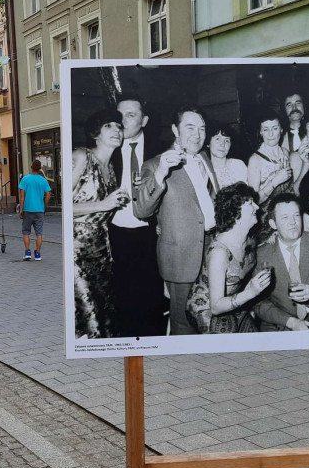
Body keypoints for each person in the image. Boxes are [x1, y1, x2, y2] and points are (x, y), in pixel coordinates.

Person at [135, 108, 219, 335]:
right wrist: (161, 172)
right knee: (184, 324)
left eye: (202, 129)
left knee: (209, 316)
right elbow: (141, 210)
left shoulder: (204, 158)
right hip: (182, 257)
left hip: (212, 250)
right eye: (190, 127)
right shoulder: (155, 165)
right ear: (175, 130)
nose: (197, 135)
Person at [108, 98, 167, 337]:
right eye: (119, 115)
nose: (122, 121)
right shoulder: (108, 149)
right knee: (121, 297)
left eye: (130, 115)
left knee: (152, 296)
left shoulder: (161, 151)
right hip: (115, 232)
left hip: (151, 232)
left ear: (144, 120)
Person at [71, 110, 129, 337]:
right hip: (76, 251)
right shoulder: (81, 157)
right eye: (108, 126)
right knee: (88, 316)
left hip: (102, 252)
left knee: (104, 316)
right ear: (96, 133)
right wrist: (102, 205)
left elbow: (103, 211)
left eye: (119, 126)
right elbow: (60, 208)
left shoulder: (111, 168)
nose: (117, 130)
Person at [185, 182, 271, 334]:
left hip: (234, 300)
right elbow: (216, 307)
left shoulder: (249, 238)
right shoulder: (219, 253)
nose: (257, 207)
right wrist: (250, 293)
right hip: (207, 307)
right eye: (250, 203)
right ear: (236, 215)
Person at [253, 193, 309, 331]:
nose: (293, 222)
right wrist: (290, 322)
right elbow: (259, 303)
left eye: (296, 215)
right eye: (285, 218)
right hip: (280, 319)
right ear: (273, 224)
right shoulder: (261, 254)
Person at [247, 111, 305, 243]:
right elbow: (253, 201)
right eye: (266, 129)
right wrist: (274, 182)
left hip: (289, 218)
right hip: (267, 225)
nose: (271, 134)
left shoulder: (285, 153)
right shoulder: (255, 160)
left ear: (281, 129)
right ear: (260, 132)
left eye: (274, 128)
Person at [19, 159, 52, 261]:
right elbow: (48, 195)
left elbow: (22, 195)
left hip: (27, 209)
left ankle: (27, 252)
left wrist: (21, 209)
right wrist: (44, 205)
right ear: (40, 168)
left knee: (26, 231)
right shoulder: (43, 180)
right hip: (39, 210)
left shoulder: (25, 179)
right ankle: (38, 253)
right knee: (39, 233)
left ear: (31, 167)